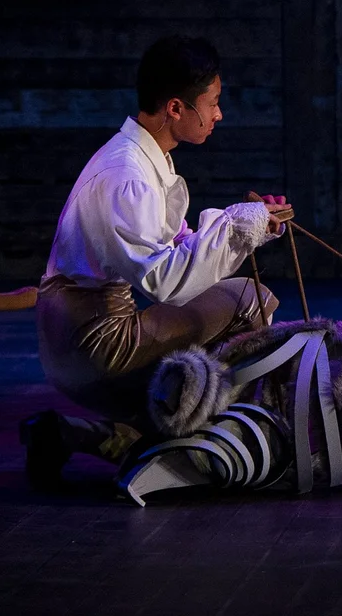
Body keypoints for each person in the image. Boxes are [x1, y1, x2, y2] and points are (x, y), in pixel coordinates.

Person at [22, 36, 292, 486]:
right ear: (175, 108)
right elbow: (164, 279)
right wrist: (238, 225)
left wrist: (254, 223)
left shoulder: (142, 158)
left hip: (77, 331)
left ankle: (95, 435)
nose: (219, 115)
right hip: (94, 343)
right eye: (213, 103)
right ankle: (207, 440)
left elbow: (175, 243)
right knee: (251, 298)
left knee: (225, 297)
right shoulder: (127, 173)